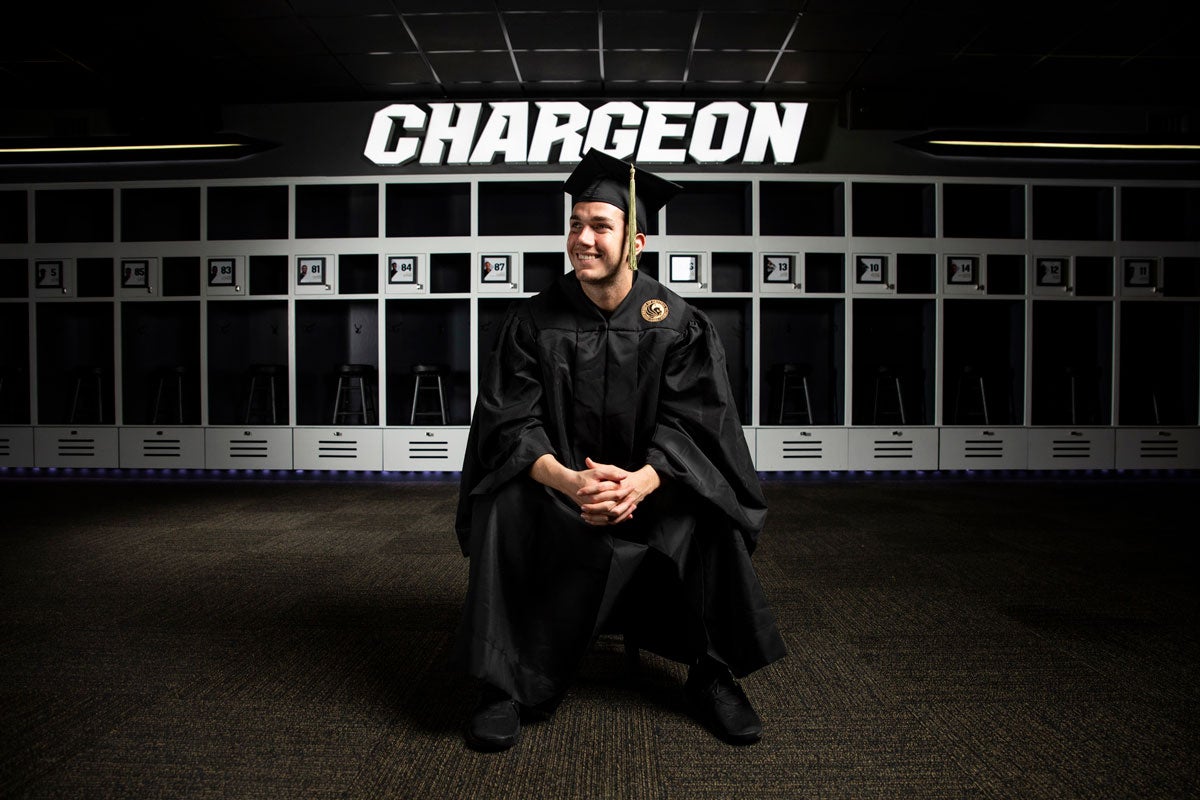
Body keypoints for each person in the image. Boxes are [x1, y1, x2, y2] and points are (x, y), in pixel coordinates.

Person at [453, 148, 786, 751]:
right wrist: (568, 481)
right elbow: (509, 425)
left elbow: (700, 426)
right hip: (559, 492)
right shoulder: (533, 323)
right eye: (575, 223)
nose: (583, 238)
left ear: (636, 240)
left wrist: (643, 481)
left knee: (708, 512)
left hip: (651, 490)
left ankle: (711, 671)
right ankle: (500, 683)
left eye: (600, 225)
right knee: (502, 504)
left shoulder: (678, 323)